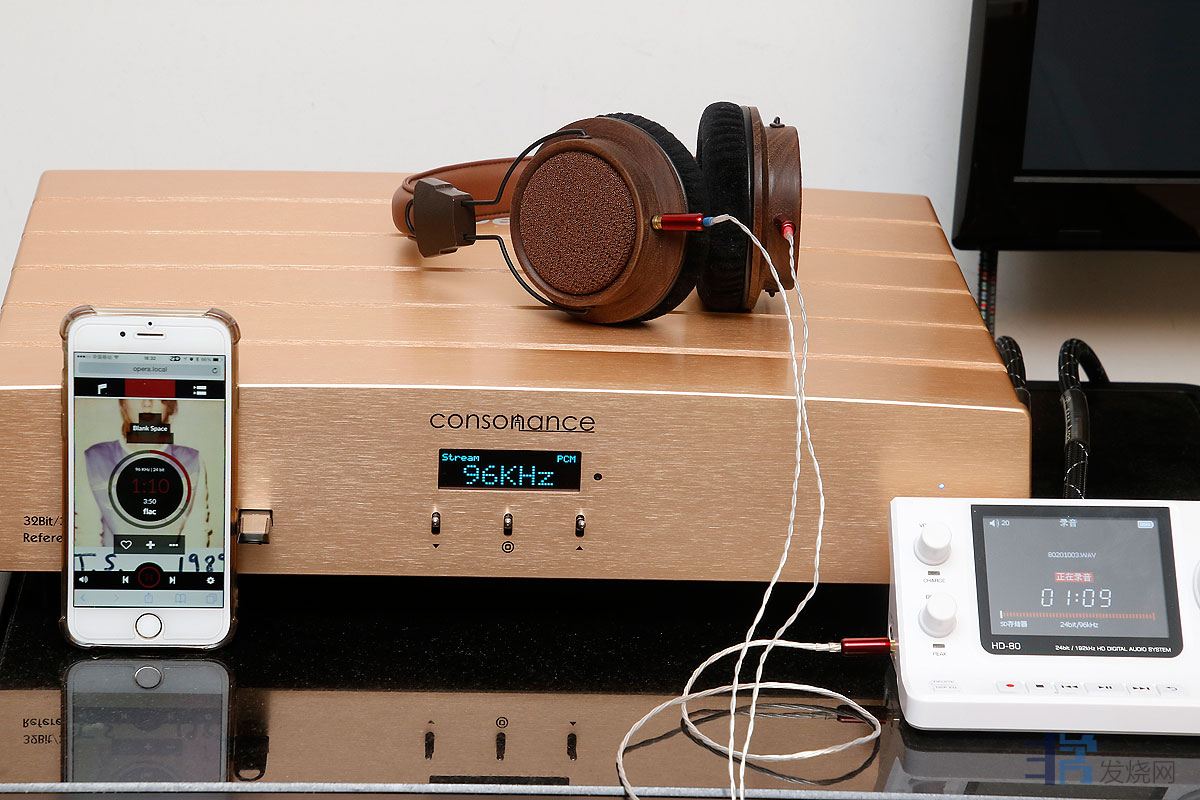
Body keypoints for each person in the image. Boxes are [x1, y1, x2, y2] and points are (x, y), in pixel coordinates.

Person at [82, 398, 213, 549]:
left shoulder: (192, 461)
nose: (147, 403)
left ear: (169, 404)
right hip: (110, 563)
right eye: (136, 393)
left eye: (157, 394)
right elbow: (86, 537)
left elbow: (195, 537)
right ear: (123, 402)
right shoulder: (94, 459)